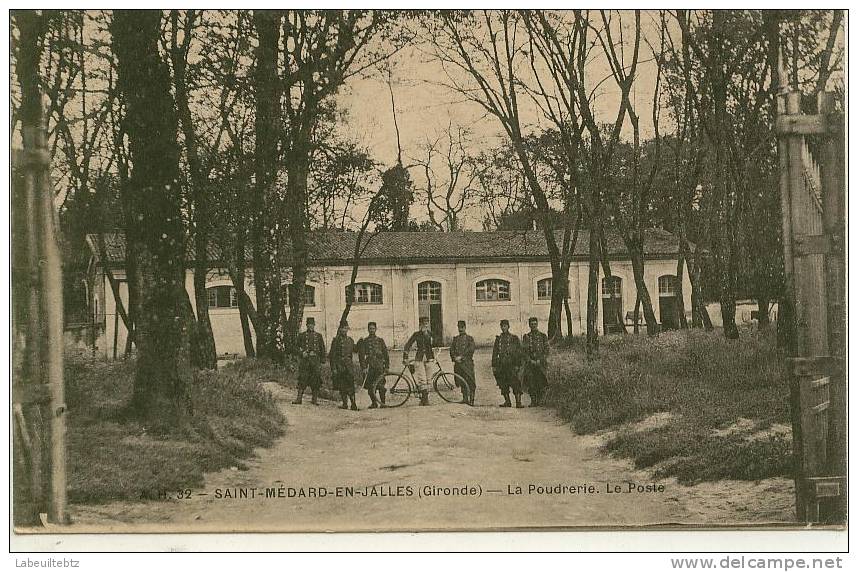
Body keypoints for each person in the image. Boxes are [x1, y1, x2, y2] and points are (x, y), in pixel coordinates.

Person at [293, 317, 326, 405]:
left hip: (315, 361)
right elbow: (295, 347)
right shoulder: (302, 336)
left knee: (315, 380)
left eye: (312, 324)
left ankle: (314, 399)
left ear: (314, 325)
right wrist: (302, 352)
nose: (310, 326)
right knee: (302, 378)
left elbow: (322, 348)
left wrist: (323, 359)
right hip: (305, 361)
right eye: (309, 325)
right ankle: (299, 399)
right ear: (306, 325)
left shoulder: (319, 336)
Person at [357, 321, 390, 409]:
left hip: (379, 366)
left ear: (376, 329)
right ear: (368, 330)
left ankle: (383, 403)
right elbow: (361, 356)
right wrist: (363, 367)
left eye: (373, 329)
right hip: (370, 367)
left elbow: (386, 354)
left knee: (381, 386)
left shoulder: (380, 340)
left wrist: (386, 366)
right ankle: (374, 403)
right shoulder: (365, 341)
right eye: (370, 329)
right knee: (370, 387)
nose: (372, 330)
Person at [403, 316, 435, 406]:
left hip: (429, 358)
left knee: (429, 379)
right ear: (420, 324)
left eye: (427, 323)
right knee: (422, 379)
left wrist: (431, 338)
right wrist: (405, 357)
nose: (425, 325)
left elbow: (436, 342)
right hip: (419, 359)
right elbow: (408, 345)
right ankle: (425, 400)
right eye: (423, 323)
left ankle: (424, 399)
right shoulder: (416, 334)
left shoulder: (430, 334)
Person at [492, 319, 522, 408]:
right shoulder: (498, 339)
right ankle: (507, 401)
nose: (503, 328)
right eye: (502, 326)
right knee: (503, 383)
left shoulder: (514, 338)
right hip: (501, 365)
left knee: (515, 382)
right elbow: (495, 352)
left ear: (508, 326)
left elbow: (519, 352)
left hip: (511, 365)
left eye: (505, 326)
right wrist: (494, 365)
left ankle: (518, 402)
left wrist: (518, 364)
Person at [329, 320, 359, 411]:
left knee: (351, 385)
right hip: (340, 366)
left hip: (349, 366)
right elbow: (332, 355)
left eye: (346, 329)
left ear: (347, 329)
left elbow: (355, 350)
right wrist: (333, 368)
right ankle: (345, 404)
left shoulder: (350, 340)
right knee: (342, 385)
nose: (344, 330)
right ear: (340, 329)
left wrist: (360, 342)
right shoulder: (336, 340)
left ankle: (353, 404)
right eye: (342, 329)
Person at [521, 316, 549, 407]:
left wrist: (541, 360)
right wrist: (530, 360)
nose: (533, 326)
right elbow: (524, 352)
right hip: (530, 364)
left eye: (535, 324)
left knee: (541, 381)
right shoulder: (526, 337)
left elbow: (546, 350)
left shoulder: (543, 336)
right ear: (529, 325)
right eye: (531, 324)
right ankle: (533, 400)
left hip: (541, 363)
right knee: (531, 382)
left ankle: (540, 400)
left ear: (537, 324)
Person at [450, 320, 476, 406]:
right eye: (459, 327)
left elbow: (471, 349)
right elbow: (452, 350)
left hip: (467, 363)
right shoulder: (455, 339)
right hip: (458, 364)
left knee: (470, 381)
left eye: (462, 327)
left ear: (465, 327)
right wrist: (454, 358)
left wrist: (461, 357)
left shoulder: (470, 339)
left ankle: (471, 400)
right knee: (461, 381)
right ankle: (465, 398)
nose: (460, 329)